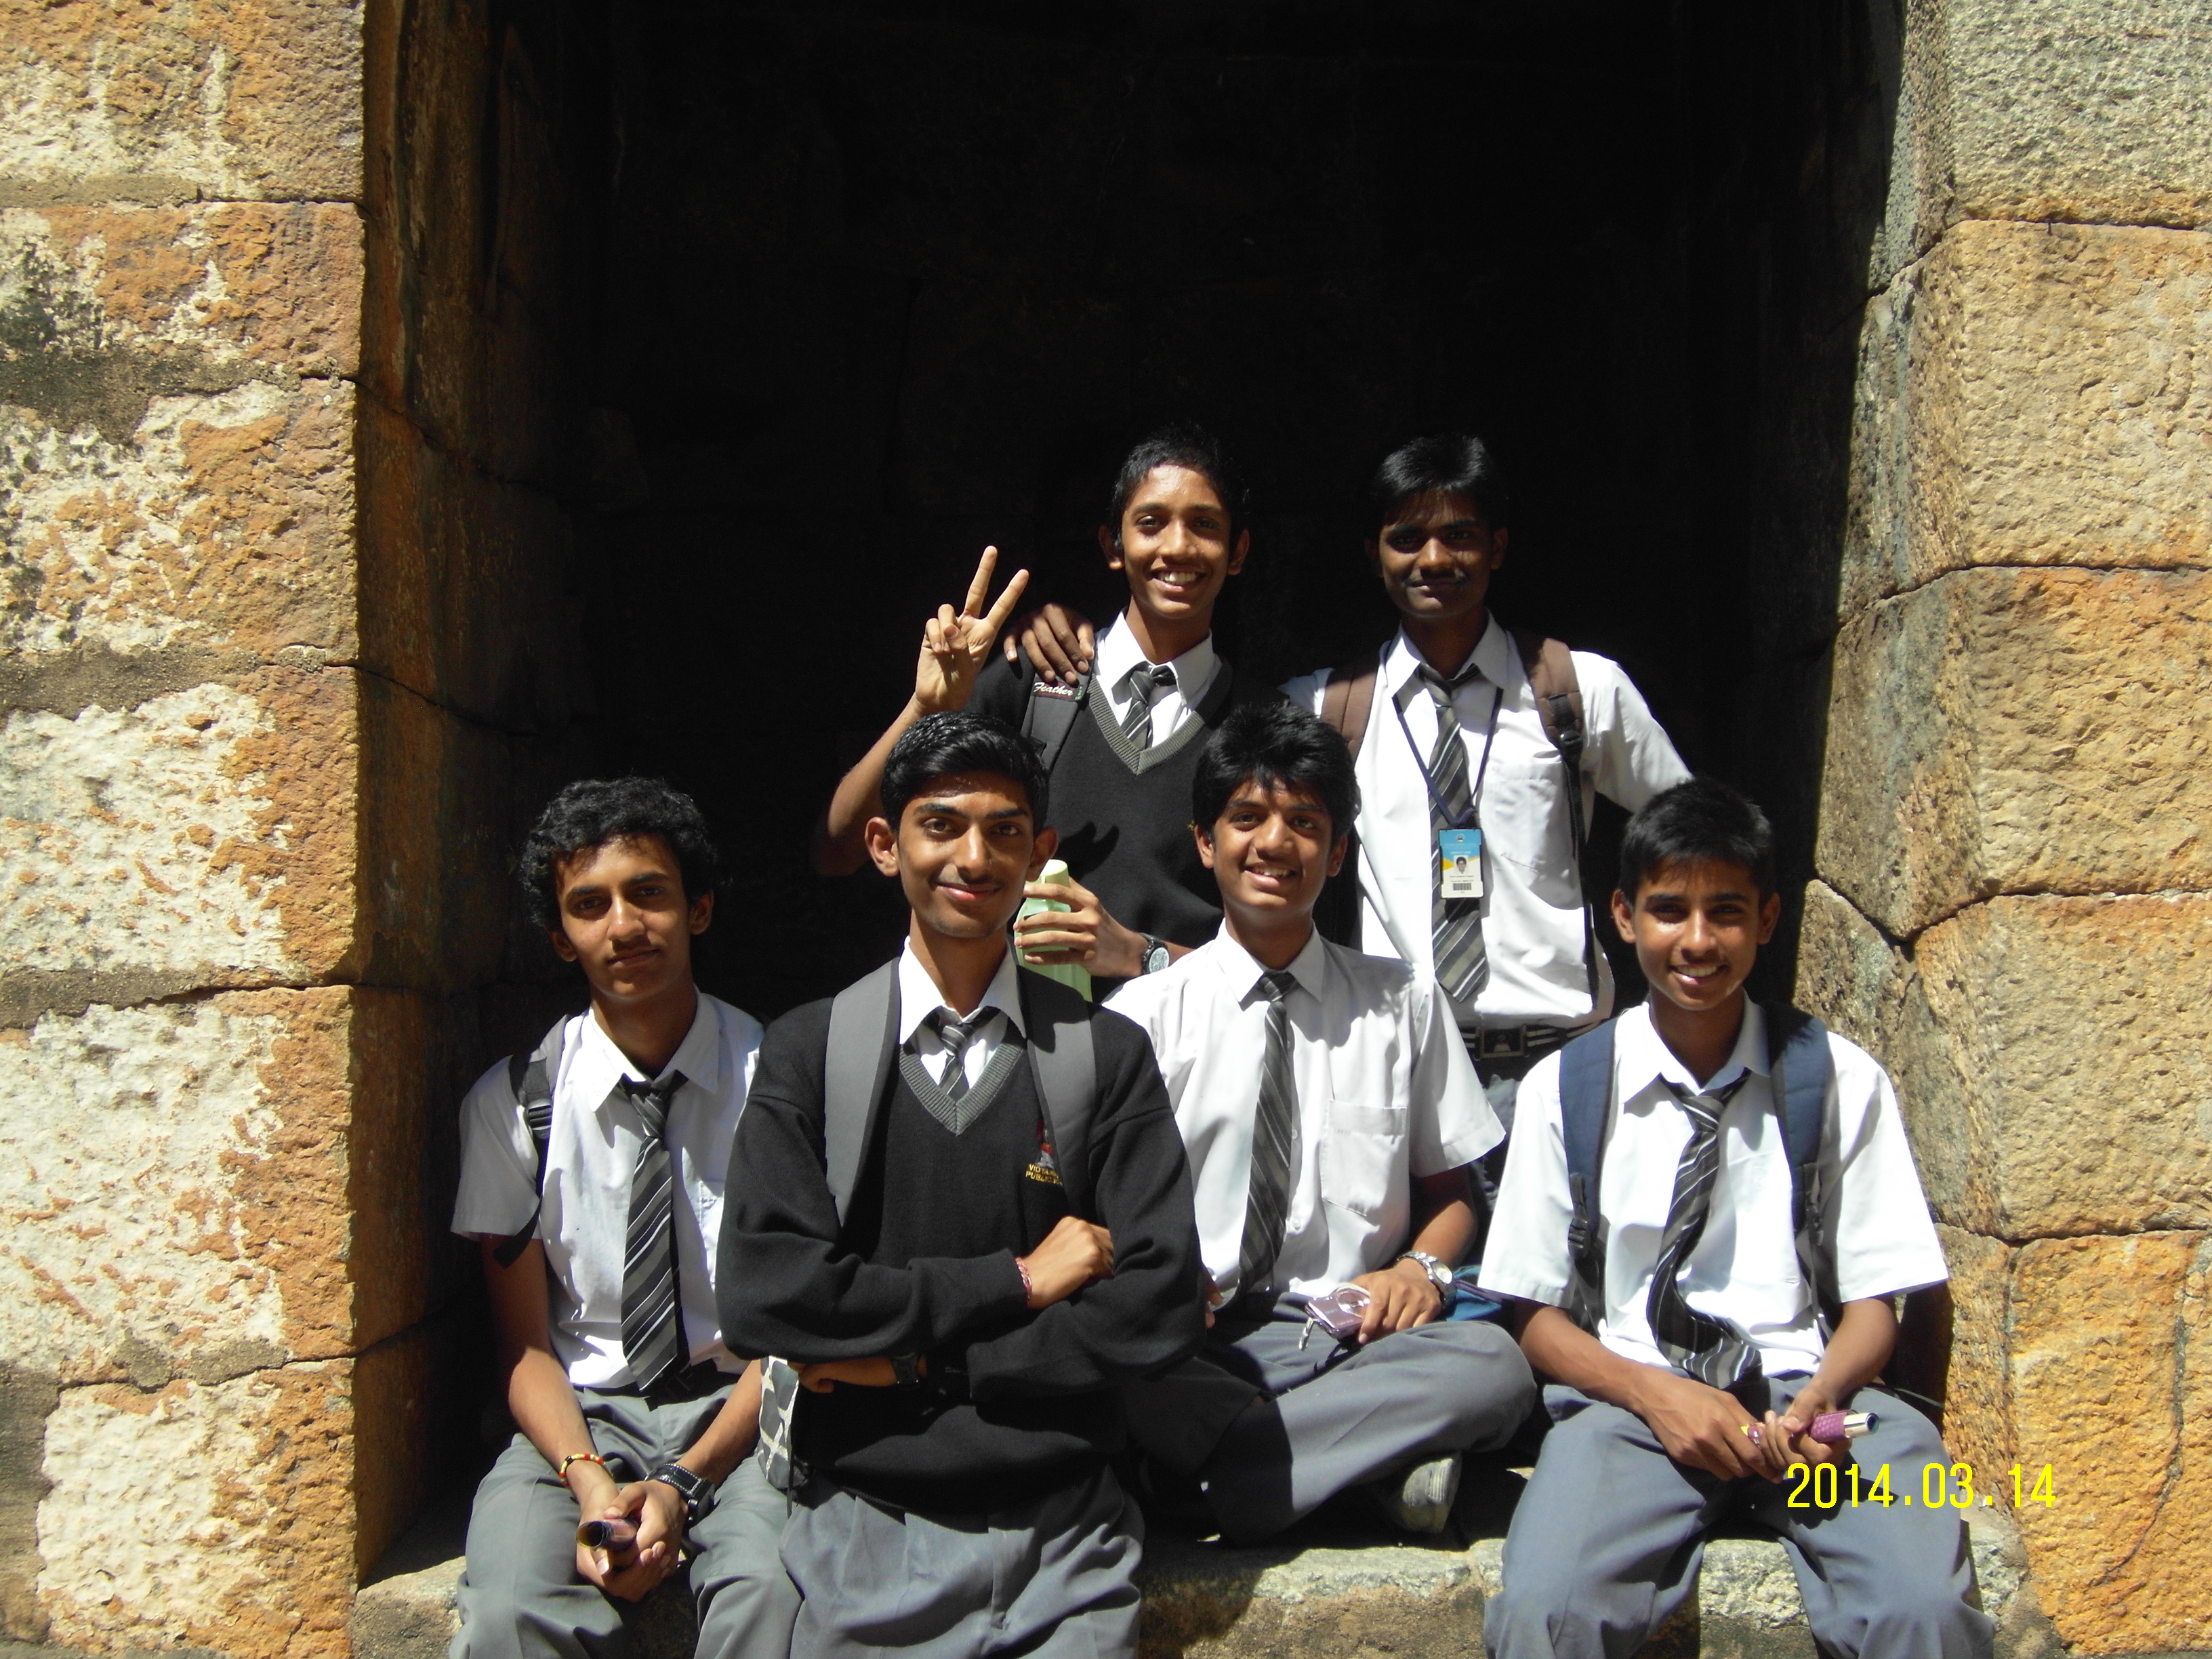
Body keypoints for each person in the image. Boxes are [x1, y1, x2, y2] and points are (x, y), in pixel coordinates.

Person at [1008, 432, 1691, 1137]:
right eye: (1408, 538)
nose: (1434, 559)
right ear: (1374, 554)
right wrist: (1055, 628)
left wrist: (1671, 1028)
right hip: (1398, 1060)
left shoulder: (1578, 691)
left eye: (1459, 535)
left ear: (1498, 547)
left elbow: (1694, 843)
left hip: (1562, 1066)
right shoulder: (1323, 709)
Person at [722, 712, 1206, 1659]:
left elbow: (1162, 1299)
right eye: (941, 825)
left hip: (1069, 1529)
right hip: (865, 1519)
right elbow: (767, 1295)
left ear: (1040, 853)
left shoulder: (1105, 1055)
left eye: (1005, 830)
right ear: (883, 843)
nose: (974, 858)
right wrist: (1017, 1282)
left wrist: (924, 1368)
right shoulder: (810, 1050)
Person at [1475, 779, 1990, 1659]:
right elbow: (1535, 1317)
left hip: (1815, 1414)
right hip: (1635, 1410)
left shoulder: (1839, 1078)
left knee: (1925, 1611)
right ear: (1623, 916)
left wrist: (1822, 1400)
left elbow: (1876, 1305)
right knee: (1546, 1609)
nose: (1698, 941)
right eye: (1669, 910)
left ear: (1768, 919)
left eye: (1727, 912)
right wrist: (1657, 1396)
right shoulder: (1566, 1087)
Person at [1108, 702, 1535, 1542]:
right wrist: (1158, 1283)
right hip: (1197, 1338)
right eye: (1247, 818)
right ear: (1205, 843)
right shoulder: (1141, 1019)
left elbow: (1453, 1194)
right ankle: (1360, 1471)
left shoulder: (1403, 1002)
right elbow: (1104, 1214)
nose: (1275, 843)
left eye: (1305, 823)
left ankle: (1210, 1478)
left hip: (1351, 1336)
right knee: (1105, 1363)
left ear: (1338, 854)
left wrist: (1418, 1269)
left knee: (1497, 1367)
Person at [449, 779, 796, 1659]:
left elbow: (798, 1326)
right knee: (507, 1608)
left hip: (744, 1408)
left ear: (699, 908)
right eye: (589, 905)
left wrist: (682, 1483)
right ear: (560, 937)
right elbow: (527, 1348)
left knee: (774, 1589)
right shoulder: (514, 1104)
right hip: (581, 1418)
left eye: (648, 893)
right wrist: (590, 1484)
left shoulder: (781, 1080)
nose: (624, 926)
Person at [813, 424, 1277, 986]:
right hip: (1028, 1036)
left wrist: (1144, 956)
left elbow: (1289, 956)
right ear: (1113, 546)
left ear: (1238, 551)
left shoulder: (1265, 726)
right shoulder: (1032, 681)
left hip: (1189, 1039)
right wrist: (926, 707)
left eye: (1204, 524)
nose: (1177, 547)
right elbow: (838, 850)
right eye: (1151, 523)